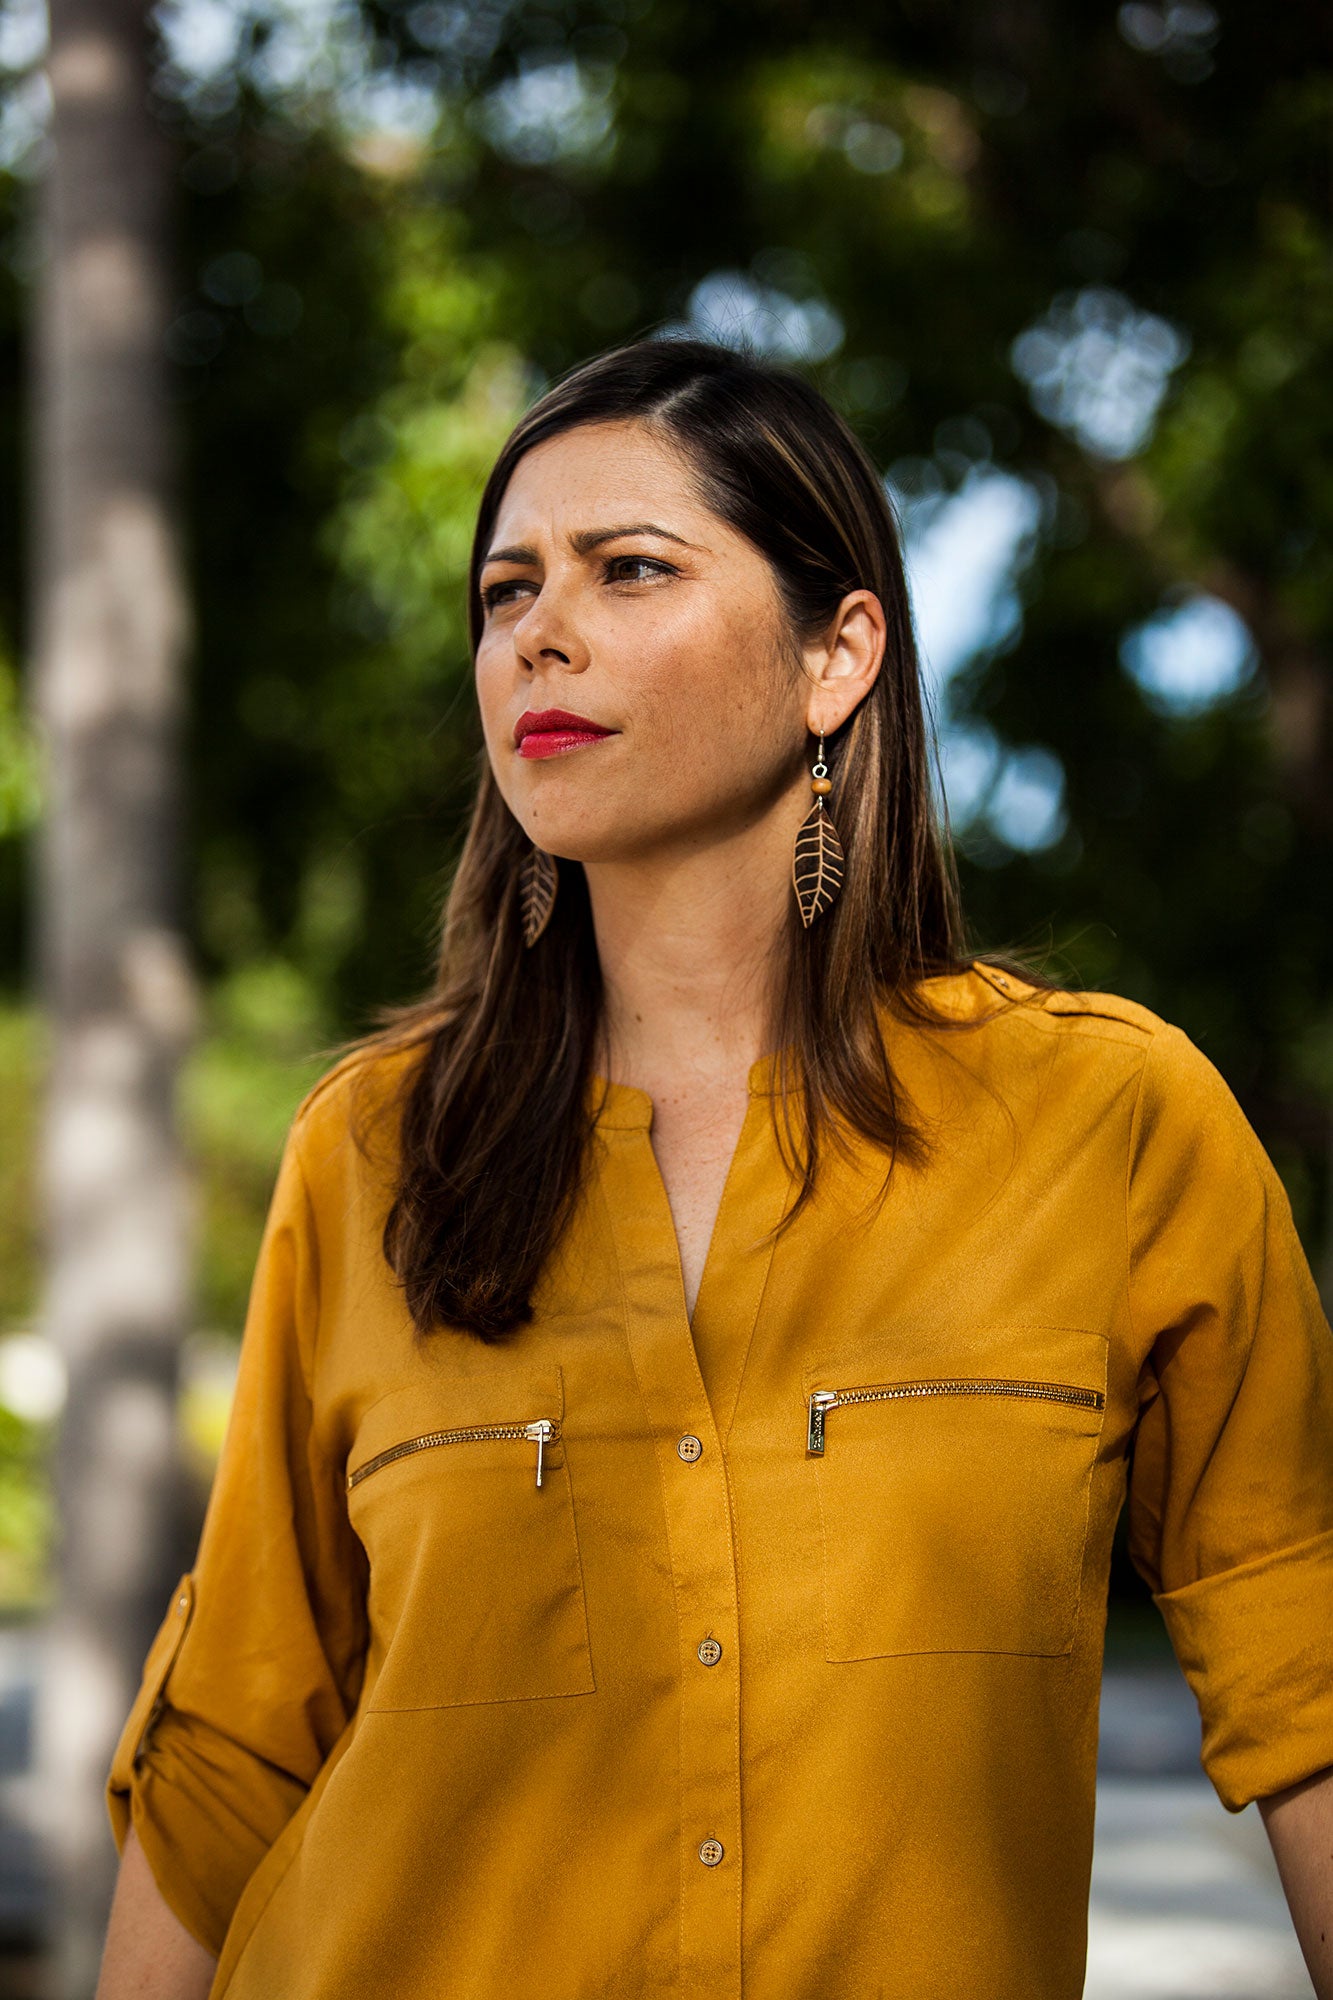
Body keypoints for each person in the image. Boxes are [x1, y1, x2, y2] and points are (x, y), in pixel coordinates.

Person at [95, 338, 1333, 2000]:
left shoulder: (1106, 1125)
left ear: (837, 655)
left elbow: (1303, 1665)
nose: (539, 629)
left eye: (630, 570)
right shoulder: (370, 1152)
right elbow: (238, 1736)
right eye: (506, 589)